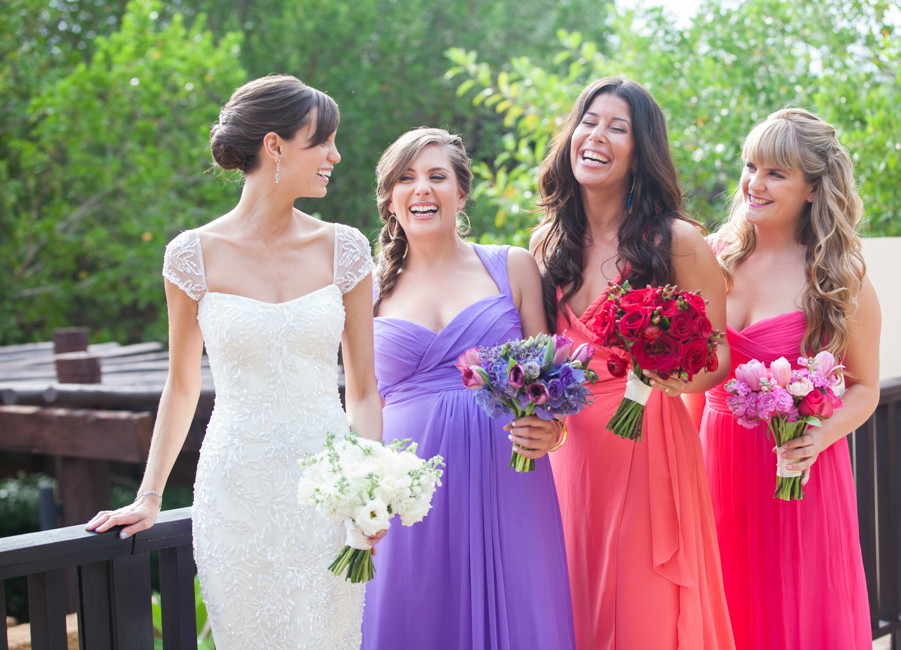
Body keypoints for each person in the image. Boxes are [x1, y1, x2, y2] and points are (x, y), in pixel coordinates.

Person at [85, 75, 382, 650]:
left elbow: (365, 390)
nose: (335, 156)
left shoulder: (345, 249)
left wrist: (367, 492)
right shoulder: (190, 256)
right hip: (234, 493)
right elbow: (180, 385)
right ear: (275, 146)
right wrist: (150, 495)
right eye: (322, 141)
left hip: (326, 495)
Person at [530, 77, 735, 649]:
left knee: (641, 606)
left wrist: (675, 373)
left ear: (640, 153)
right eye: (589, 121)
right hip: (568, 451)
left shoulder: (677, 242)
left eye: (617, 128)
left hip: (647, 444)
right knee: (571, 600)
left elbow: (719, 351)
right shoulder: (545, 242)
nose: (596, 136)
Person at [361, 127, 574, 650]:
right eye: (406, 179)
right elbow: (361, 398)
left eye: (437, 177)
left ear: (461, 193)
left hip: (508, 477)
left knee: (519, 611)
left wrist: (553, 431)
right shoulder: (364, 290)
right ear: (390, 199)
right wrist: (362, 487)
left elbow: (554, 381)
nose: (423, 189)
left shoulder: (513, 267)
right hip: (408, 489)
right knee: (416, 616)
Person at [697, 107, 880, 650]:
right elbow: (694, 377)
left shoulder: (838, 277)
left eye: (775, 173)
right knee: (722, 613)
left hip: (800, 477)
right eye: (751, 166)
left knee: (797, 617)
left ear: (812, 188)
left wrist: (821, 435)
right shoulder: (712, 259)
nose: (754, 183)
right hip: (716, 468)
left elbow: (866, 386)